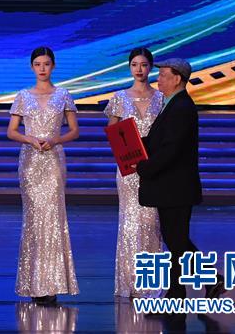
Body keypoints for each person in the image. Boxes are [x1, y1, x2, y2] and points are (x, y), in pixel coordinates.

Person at [135, 58, 226, 301]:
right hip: (170, 186)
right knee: (176, 240)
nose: (158, 79)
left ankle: (178, 294)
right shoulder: (172, 104)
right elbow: (160, 140)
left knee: (176, 242)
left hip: (176, 186)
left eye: (163, 75)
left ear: (177, 79)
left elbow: (171, 149)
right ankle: (204, 283)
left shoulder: (182, 107)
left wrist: (144, 167)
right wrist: (134, 144)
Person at [7, 46, 80, 305]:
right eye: (38, 64)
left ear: (53, 66)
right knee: (33, 219)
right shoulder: (23, 96)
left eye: (46, 64)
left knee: (53, 218)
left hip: (53, 161)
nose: (42, 68)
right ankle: (34, 283)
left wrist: (55, 139)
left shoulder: (63, 95)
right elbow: (11, 131)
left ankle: (52, 283)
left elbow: (74, 130)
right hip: (30, 162)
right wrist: (29, 139)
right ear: (32, 67)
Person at [104, 47, 164, 298]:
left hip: (155, 168)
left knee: (151, 222)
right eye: (134, 65)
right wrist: (127, 151)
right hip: (129, 169)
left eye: (144, 65)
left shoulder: (161, 98)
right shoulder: (119, 97)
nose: (139, 69)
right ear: (129, 68)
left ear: (150, 67)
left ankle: (150, 282)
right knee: (130, 221)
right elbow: (113, 132)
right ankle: (130, 282)